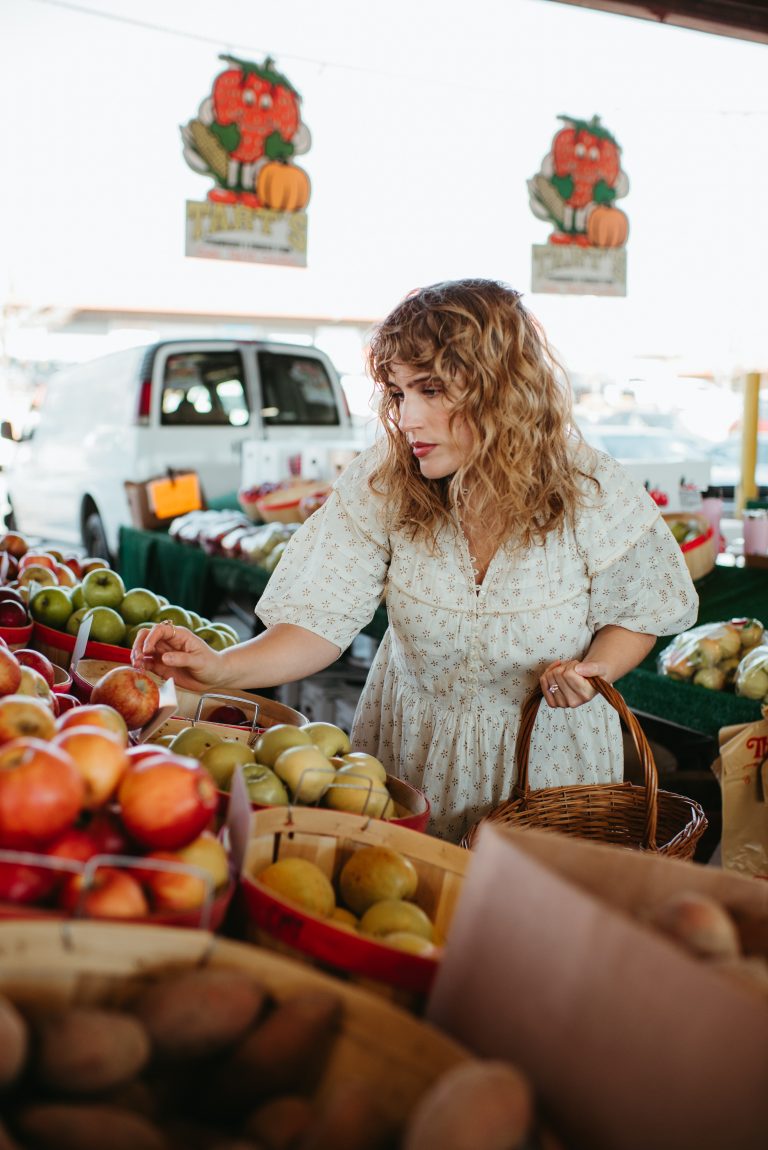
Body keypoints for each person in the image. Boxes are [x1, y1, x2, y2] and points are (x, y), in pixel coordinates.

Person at [132, 279, 699, 842]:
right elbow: (318, 621)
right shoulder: (385, 482)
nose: (407, 419)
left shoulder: (589, 487)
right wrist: (222, 668)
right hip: (412, 755)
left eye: (431, 390)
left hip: (552, 769)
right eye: (400, 394)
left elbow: (641, 606)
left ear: (500, 388)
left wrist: (597, 668)